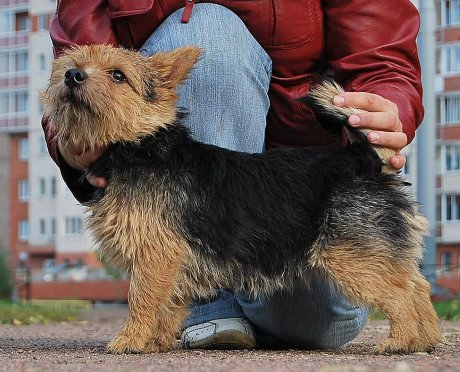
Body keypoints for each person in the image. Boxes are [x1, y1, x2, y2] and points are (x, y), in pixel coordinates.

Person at [43, 0, 424, 350]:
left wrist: (385, 109)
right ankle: (204, 313)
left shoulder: (156, 183)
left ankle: (413, 323)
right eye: (80, 70)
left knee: (333, 307)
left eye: (115, 76)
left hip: (322, 184)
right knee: (206, 28)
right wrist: (72, 149)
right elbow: (78, 43)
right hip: (291, 178)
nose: (80, 75)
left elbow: (157, 258)